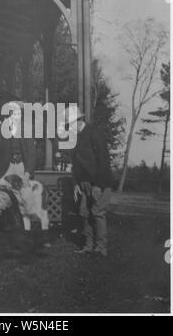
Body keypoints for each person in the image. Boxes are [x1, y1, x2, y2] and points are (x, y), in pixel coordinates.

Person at [60, 106, 114, 257]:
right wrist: (76, 183)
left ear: (79, 120)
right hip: (84, 183)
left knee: (97, 213)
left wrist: (98, 185)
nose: (69, 127)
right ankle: (88, 246)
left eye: (70, 124)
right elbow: (75, 164)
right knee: (84, 213)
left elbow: (103, 160)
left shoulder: (94, 133)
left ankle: (101, 248)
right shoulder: (75, 137)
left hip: (100, 181)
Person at [0, 102, 37, 260]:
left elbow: (31, 152)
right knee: (2, 198)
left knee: (23, 200)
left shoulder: (26, 128)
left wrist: (28, 172)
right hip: (7, 167)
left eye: (18, 114)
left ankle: (25, 238)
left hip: (21, 167)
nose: (16, 116)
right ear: (8, 114)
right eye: (13, 114)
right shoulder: (1, 129)